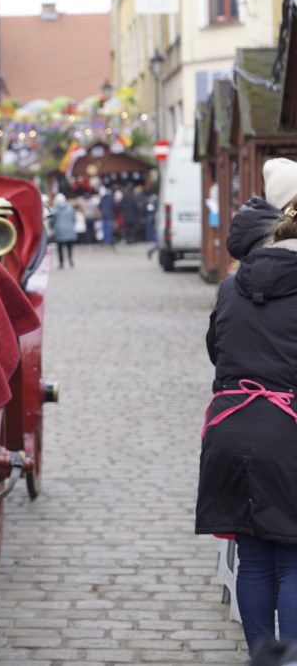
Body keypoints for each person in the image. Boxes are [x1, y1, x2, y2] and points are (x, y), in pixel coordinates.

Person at [196, 157, 297, 656]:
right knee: (295, 562)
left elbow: (218, 350)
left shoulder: (231, 287)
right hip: (289, 434)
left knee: (254, 558)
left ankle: (262, 655)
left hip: (231, 430)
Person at [50, 193, 76, 268]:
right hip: (69, 229)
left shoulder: (55, 209)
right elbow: (73, 218)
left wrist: (53, 226)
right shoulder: (70, 208)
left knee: (60, 247)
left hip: (59, 230)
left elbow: (51, 220)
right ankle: (70, 259)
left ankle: (61, 262)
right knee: (69, 246)